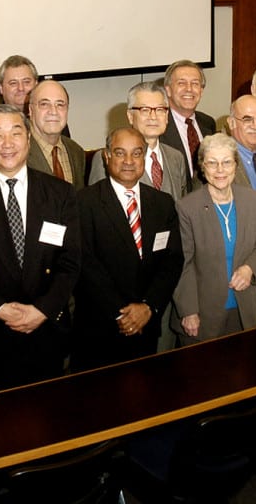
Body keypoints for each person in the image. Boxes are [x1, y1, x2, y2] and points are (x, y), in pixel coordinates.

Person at [0, 104, 81, 394]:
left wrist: (43, 310)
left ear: (29, 139)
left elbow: (70, 262)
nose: (8, 144)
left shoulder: (59, 193)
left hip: (47, 328)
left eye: (16, 133)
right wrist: (0, 309)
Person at [73, 127, 183, 371]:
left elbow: (172, 261)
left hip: (147, 324)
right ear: (106, 156)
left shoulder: (162, 203)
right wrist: (122, 314)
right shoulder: (83, 202)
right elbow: (85, 265)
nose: (128, 162)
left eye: (136, 154)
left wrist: (148, 307)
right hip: (100, 328)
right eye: (120, 153)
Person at [173, 133, 256, 344]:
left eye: (227, 162)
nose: (220, 170)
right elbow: (183, 264)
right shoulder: (187, 207)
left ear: (236, 165)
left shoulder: (253, 200)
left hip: (243, 309)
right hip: (202, 314)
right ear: (202, 167)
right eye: (212, 163)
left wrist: (249, 268)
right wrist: (189, 310)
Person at [89, 81, 190, 200]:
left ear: (167, 115)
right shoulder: (105, 158)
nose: (153, 117)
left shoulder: (176, 157)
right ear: (130, 116)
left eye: (159, 110)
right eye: (145, 110)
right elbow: (96, 207)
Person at [26, 79, 87, 190]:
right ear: (31, 110)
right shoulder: (18, 151)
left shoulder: (76, 151)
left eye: (60, 105)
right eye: (44, 104)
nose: (53, 111)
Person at [162, 60, 216, 179]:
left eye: (195, 84)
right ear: (168, 90)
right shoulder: (159, 126)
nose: (189, 89)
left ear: (201, 91)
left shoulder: (208, 123)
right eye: (181, 83)